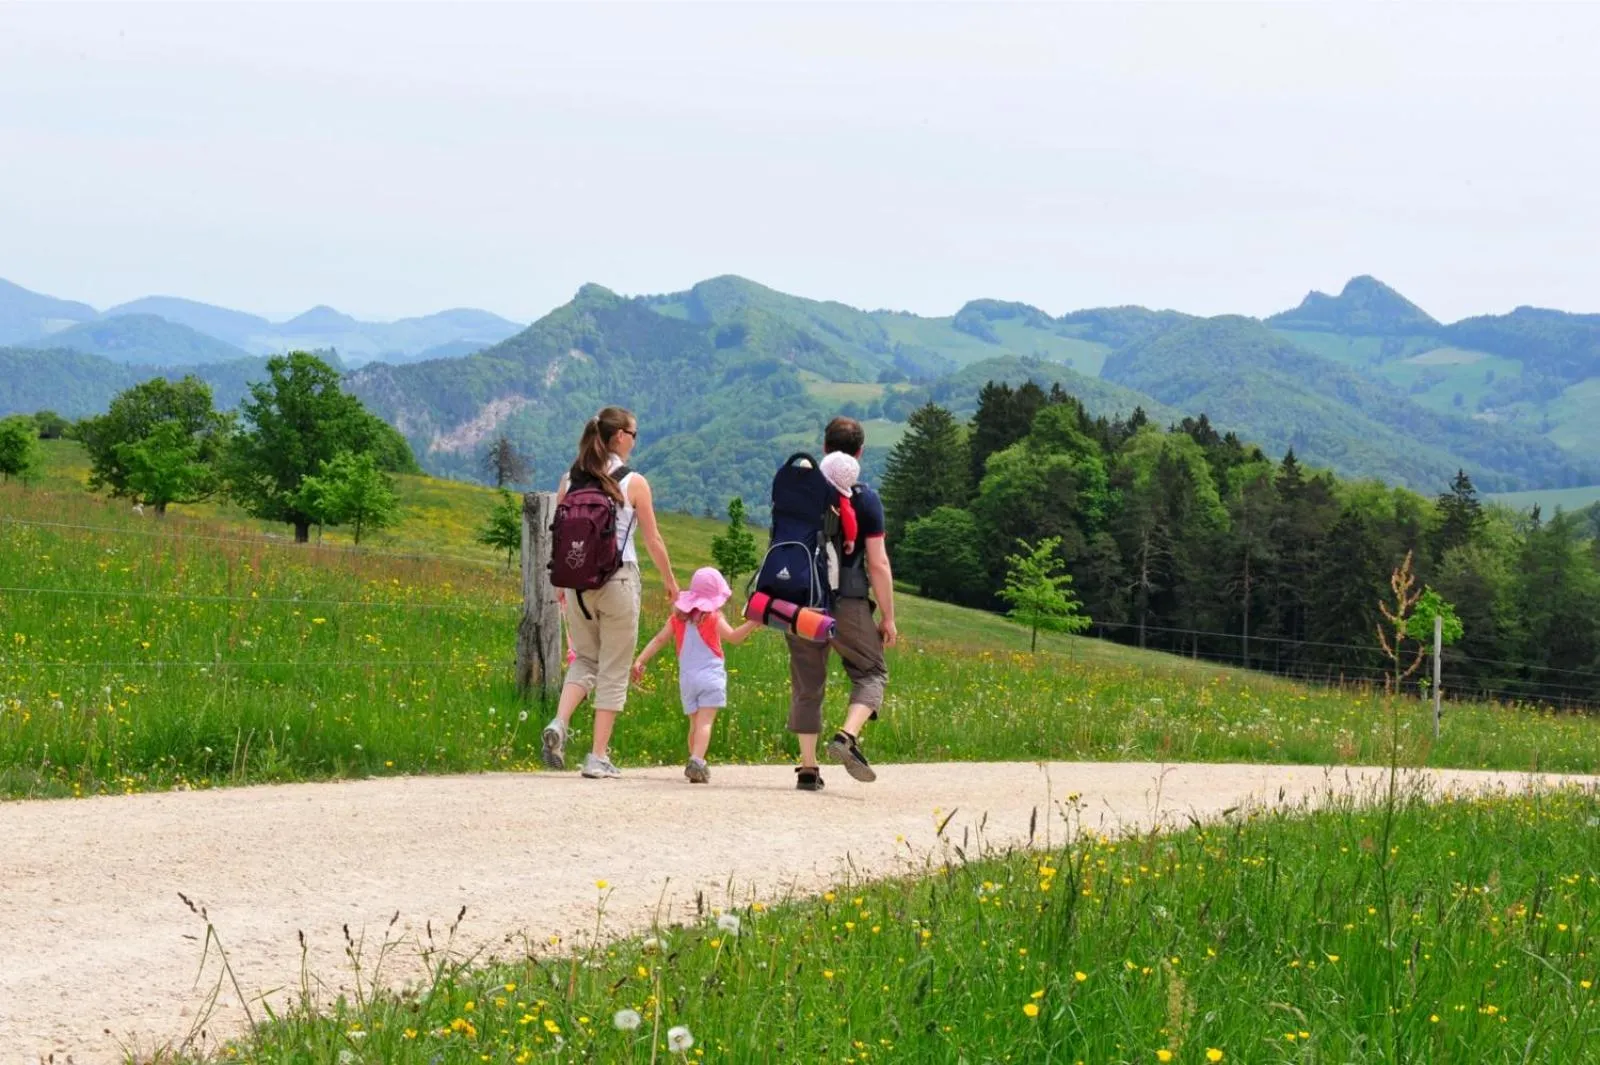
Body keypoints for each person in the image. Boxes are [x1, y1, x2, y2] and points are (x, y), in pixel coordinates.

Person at [542, 406, 679, 779]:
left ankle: (559, 721)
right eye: (634, 434)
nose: (635, 441)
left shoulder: (569, 479)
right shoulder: (633, 481)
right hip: (618, 582)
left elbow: (558, 535)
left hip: (576, 587)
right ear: (619, 436)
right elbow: (652, 538)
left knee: (584, 659)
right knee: (614, 669)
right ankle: (598, 756)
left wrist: (560, 585)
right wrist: (669, 581)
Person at [789, 416, 897, 791]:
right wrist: (887, 616)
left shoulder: (799, 490)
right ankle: (847, 736)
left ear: (823, 448)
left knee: (807, 681)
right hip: (845, 601)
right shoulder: (865, 498)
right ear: (860, 452)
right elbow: (878, 563)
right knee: (871, 672)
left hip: (800, 600)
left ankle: (807, 769)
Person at [631, 566, 760, 784]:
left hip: (687, 680)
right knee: (705, 723)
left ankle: (694, 761)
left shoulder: (677, 619)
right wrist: (753, 622)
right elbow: (734, 637)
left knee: (694, 724)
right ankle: (697, 761)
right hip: (710, 677)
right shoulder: (713, 618)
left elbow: (659, 640)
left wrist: (640, 660)